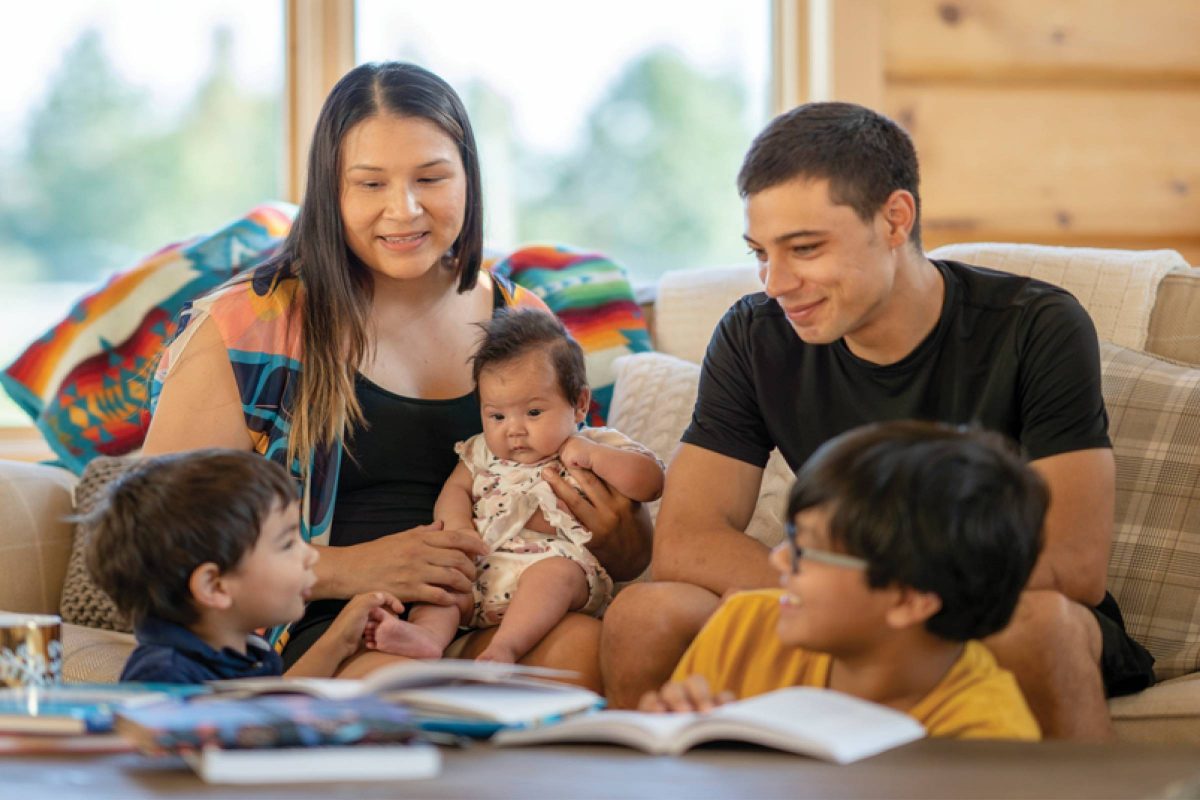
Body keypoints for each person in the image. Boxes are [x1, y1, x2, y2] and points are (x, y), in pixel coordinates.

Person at [601, 101, 1155, 739]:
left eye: (804, 249)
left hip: (983, 602)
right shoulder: (755, 335)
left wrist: (873, 600)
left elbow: (1072, 563)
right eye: (760, 252)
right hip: (831, 595)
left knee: (1042, 626)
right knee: (646, 613)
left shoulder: (1037, 326)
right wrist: (831, 601)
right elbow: (687, 542)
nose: (775, 282)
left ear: (895, 219)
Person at [142, 61, 651, 690]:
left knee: (580, 651)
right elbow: (158, 546)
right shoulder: (248, 325)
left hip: (499, 600)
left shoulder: (525, 323)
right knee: (408, 689)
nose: (403, 210)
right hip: (327, 623)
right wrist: (349, 568)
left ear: (469, 178)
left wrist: (619, 533)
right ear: (332, 191)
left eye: (431, 177)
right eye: (370, 183)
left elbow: (617, 540)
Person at [639, 421, 1044, 740]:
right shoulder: (742, 626)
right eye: (789, 539)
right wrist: (677, 745)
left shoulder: (985, 737)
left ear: (908, 599)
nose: (778, 560)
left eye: (804, 551)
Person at [365, 309, 664, 663]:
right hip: (483, 569)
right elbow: (455, 490)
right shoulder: (480, 451)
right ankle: (427, 637)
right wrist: (458, 528)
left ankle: (505, 647)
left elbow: (651, 482)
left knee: (554, 577)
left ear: (579, 404)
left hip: (555, 562)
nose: (514, 429)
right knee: (443, 588)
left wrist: (596, 457)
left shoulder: (595, 444)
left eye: (533, 413)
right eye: (497, 416)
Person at [85, 449, 404, 683]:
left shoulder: (246, 650)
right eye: (287, 544)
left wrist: (341, 640)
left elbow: (273, 705)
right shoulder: (164, 674)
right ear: (215, 586)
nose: (311, 556)